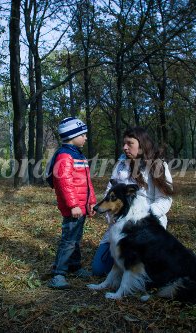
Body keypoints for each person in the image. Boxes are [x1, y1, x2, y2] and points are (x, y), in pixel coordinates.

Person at [91, 127, 174, 277]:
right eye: (124, 143)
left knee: (147, 274)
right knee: (99, 269)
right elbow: (109, 194)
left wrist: (144, 217)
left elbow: (165, 199)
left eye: (130, 143)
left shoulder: (158, 165)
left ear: (142, 145)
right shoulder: (120, 164)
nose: (124, 147)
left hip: (146, 229)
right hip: (118, 226)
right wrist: (113, 217)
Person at [46, 117, 97, 289]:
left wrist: (91, 202)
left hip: (81, 206)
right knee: (68, 240)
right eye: (83, 134)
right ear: (72, 135)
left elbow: (87, 182)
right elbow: (64, 183)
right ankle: (58, 274)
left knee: (76, 239)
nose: (85, 138)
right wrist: (73, 205)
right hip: (73, 208)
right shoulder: (64, 155)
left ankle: (75, 266)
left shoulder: (77, 154)